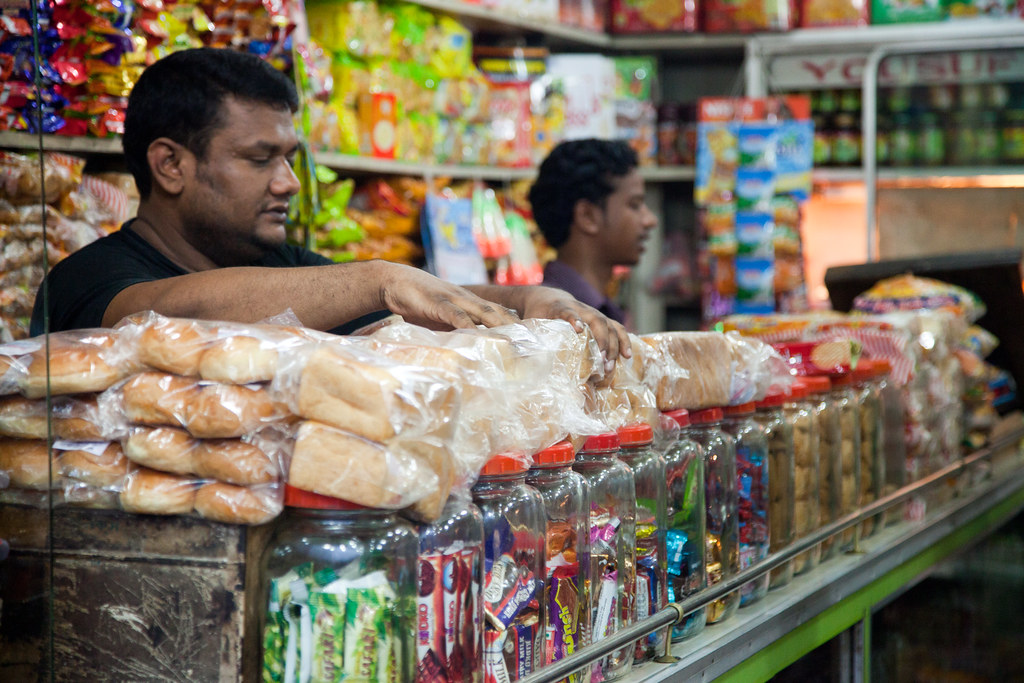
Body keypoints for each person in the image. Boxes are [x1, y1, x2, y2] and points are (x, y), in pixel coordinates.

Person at [30, 48, 629, 365]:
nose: (289, 183)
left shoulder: (283, 264)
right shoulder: (89, 279)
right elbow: (151, 316)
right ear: (170, 165)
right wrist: (378, 279)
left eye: (290, 158)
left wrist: (530, 300)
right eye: (260, 158)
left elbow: (420, 298)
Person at [527, 138, 657, 327]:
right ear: (587, 216)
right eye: (635, 205)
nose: (650, 220)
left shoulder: (608, 312)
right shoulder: (554, 319)